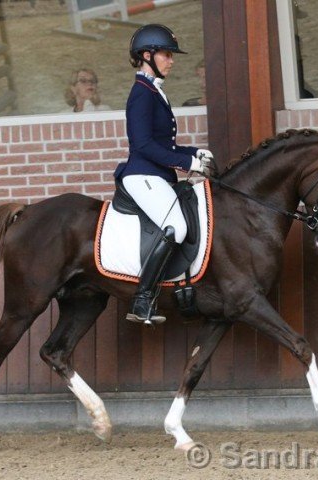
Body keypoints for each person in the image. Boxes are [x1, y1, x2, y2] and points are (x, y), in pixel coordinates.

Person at [113, 24, 214, 325]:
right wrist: (188, 165)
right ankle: (143, 299)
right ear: (147, 55)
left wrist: (194, 153)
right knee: (176, 227)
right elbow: (143, 145)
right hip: (142, 174)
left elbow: (164, 144)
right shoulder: (141, 94)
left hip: (158, 175)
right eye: (167, 54)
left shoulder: (154, 91)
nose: (171, 60)